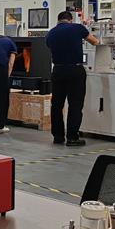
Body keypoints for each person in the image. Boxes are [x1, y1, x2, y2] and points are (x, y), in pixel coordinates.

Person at [45, 11, 100, 147]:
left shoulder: (50, 33)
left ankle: (58, 136)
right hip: (75, 70)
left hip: (57, 71)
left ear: (58, 21)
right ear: (70, 20)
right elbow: (94, 42)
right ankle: (72, 138)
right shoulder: (77, 28)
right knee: (75, 105)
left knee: (57, 105)